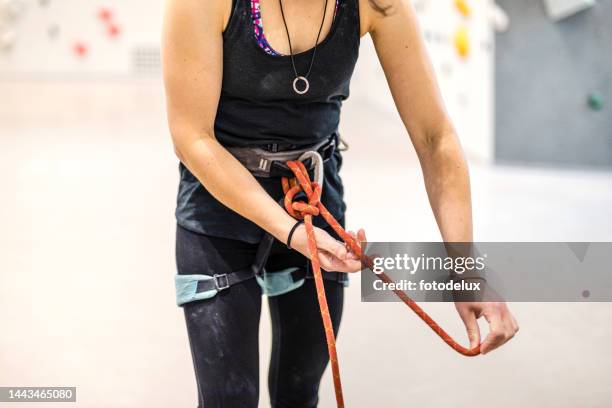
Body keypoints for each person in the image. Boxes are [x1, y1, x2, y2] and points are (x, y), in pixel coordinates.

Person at [162, 0, 519, 406]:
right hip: (219, 204)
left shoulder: (377, 5)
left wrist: (463, 265)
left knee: (300, 390)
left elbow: (435, 138)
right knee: (228, 398)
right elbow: (193, 139)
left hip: (315, 196)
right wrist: (292, 231)